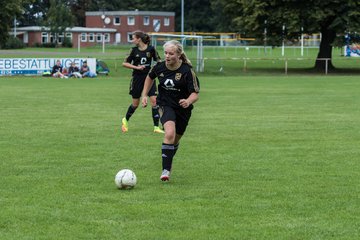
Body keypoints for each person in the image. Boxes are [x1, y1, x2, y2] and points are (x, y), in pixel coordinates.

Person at [141, 40, 200, 181]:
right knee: (169, 133)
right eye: (166, 53)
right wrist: (144, 95)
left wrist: (188, 101)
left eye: (171, 53)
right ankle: (166, 170)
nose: (167, 56)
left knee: (175, 139)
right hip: (165, 104)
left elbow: (195, 94)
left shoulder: (187, 71)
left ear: (179, 54)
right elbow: (149, 78)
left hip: (183, 109)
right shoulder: (159, 67)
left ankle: (168, 161)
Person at [121, 30, 163, 133]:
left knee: (154, 101)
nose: (132, 40)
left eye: (133, 38)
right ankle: (125, 120)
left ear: (139, 39)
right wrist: (137, 67)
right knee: (135, 104)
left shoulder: (151, 49)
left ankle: (156, 127)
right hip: (137, 79)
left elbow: (159, 61)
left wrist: (156, 68)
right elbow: (124, 63)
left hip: (149, 78)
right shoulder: (133, 50)